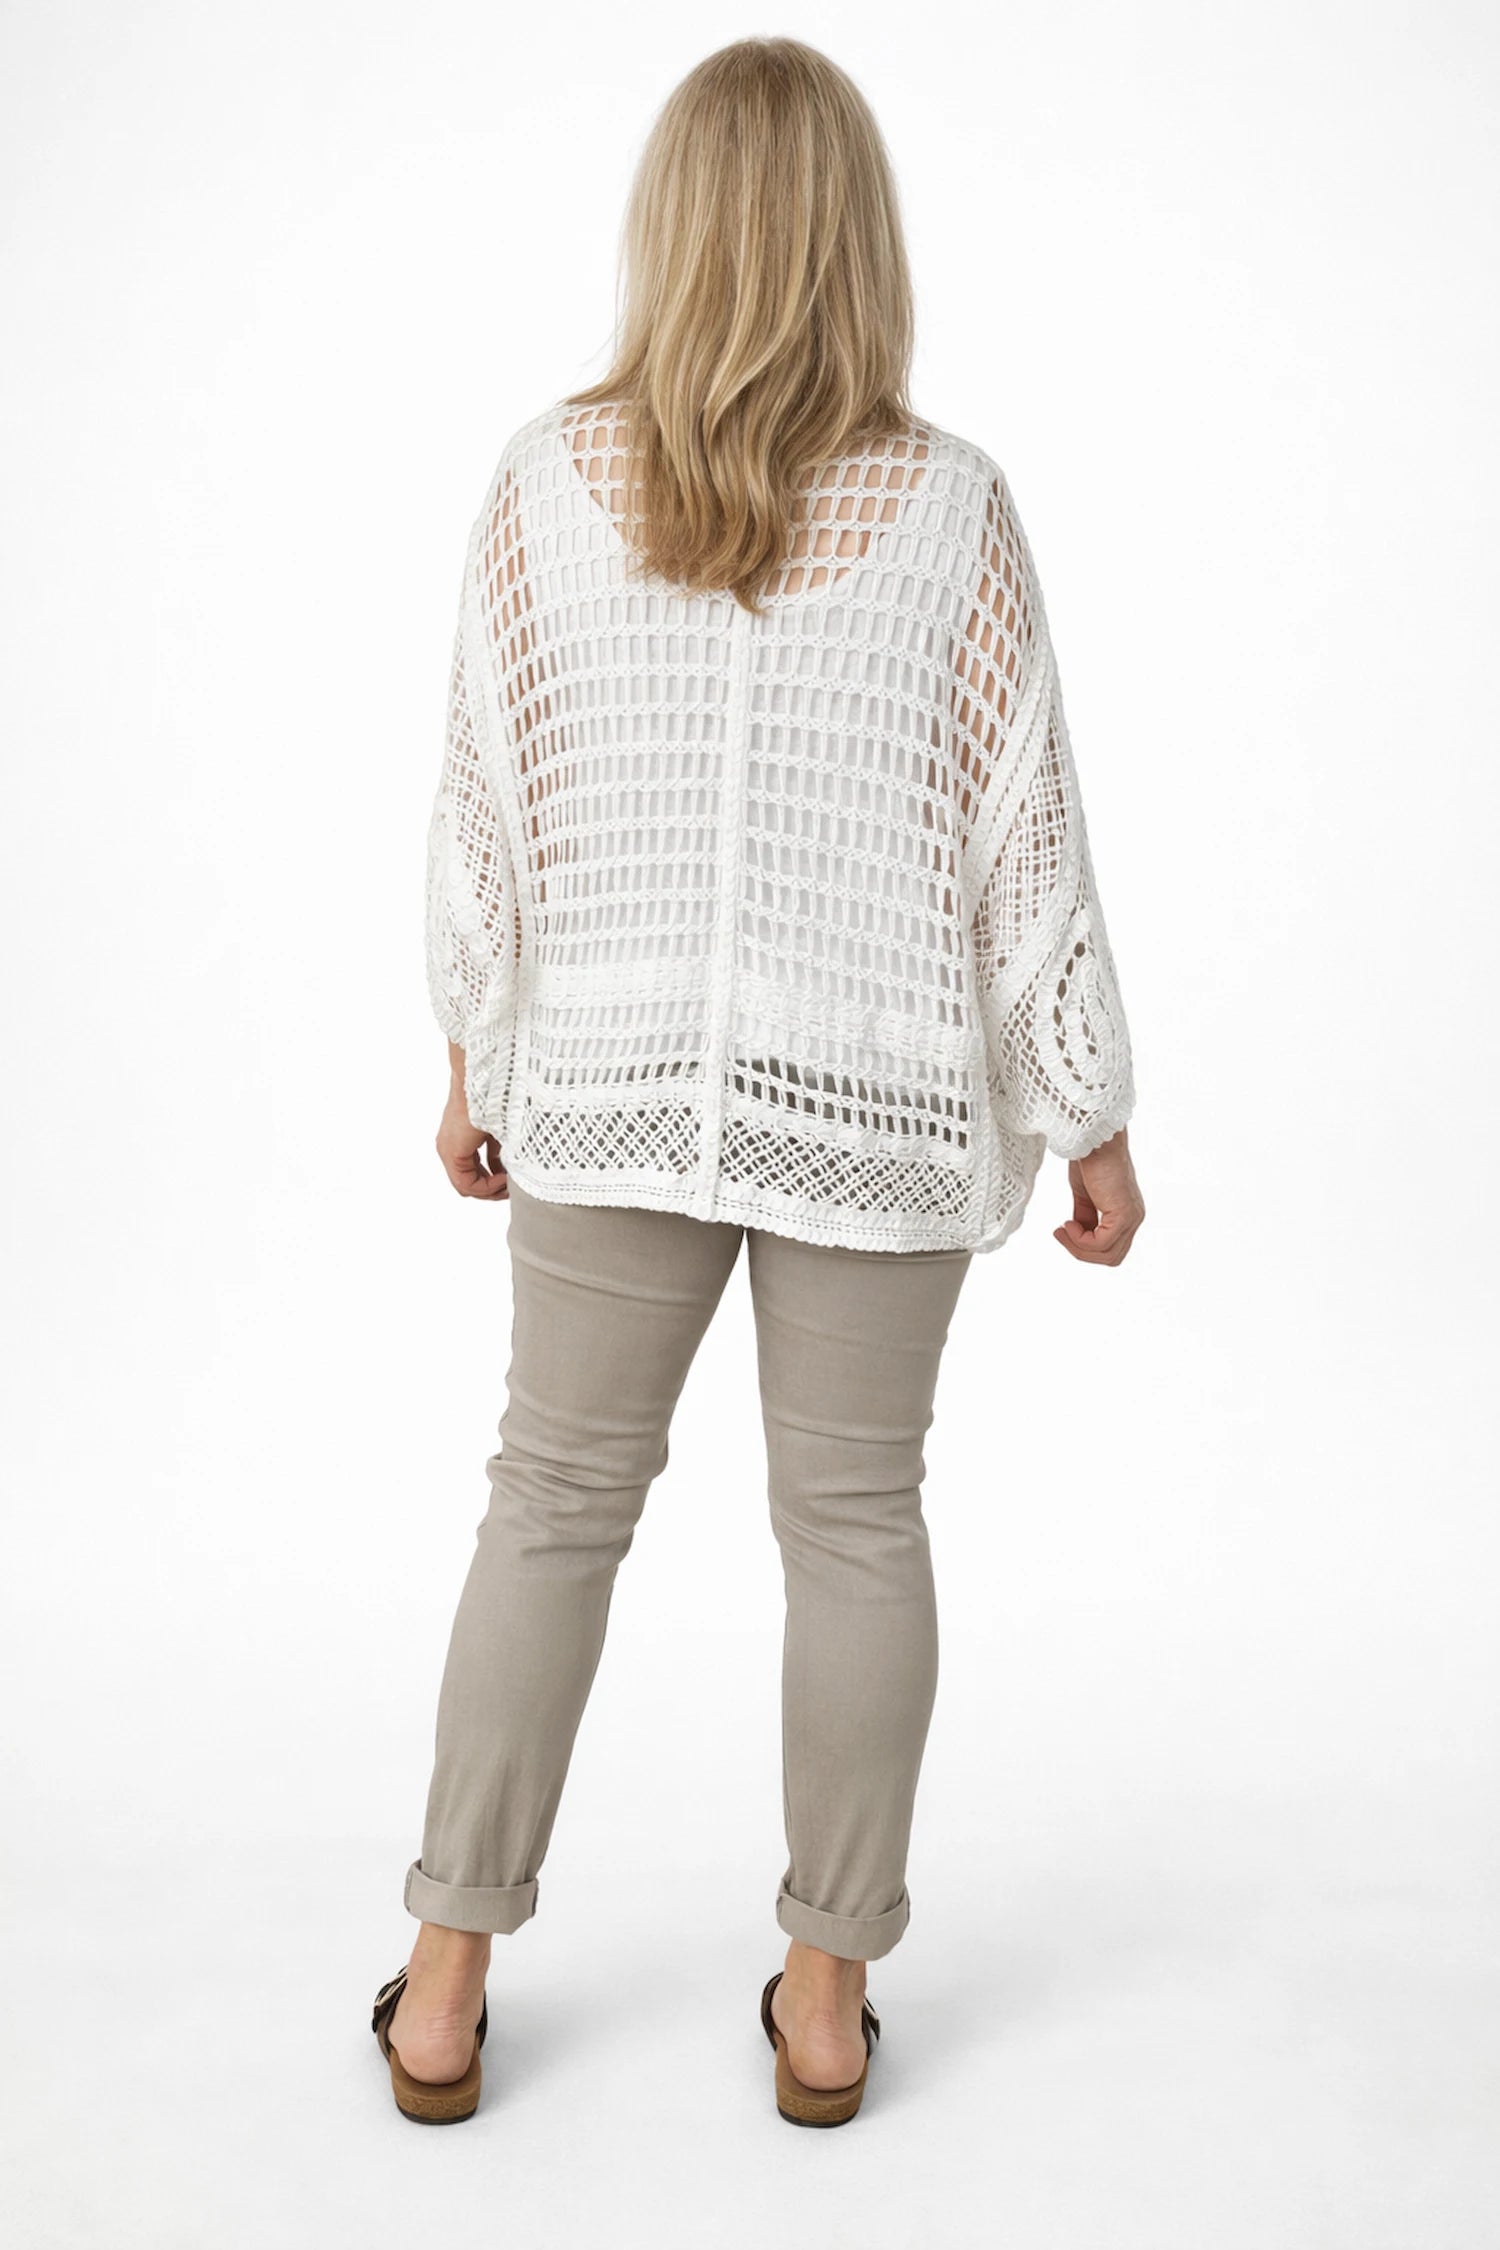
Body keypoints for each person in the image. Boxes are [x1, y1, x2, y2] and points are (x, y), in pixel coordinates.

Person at [370, 34, 1145, 2129]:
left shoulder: (547, 483)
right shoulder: (954, 507)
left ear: (674, 225)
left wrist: (473, 1049)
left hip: (607, 1083)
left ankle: (442, 1990)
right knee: (858, 1524)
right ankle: (823, 2002)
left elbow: (486, 809)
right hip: (877, 1101)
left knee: (553, 1503)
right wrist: (1088, 1111)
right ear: (855, 242)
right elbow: (1025, 838)